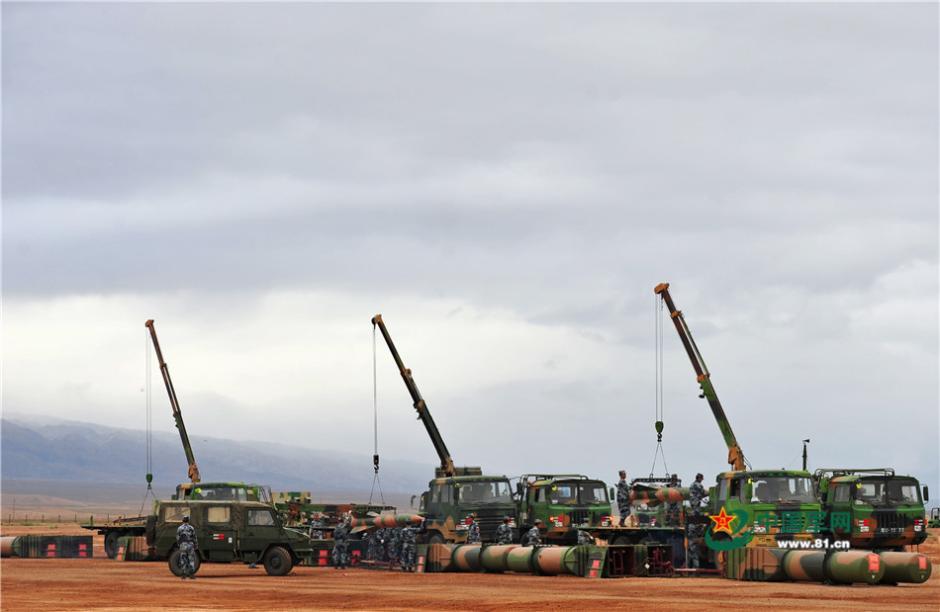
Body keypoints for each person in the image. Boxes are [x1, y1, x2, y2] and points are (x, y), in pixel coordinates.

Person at [686, 473, 707, 569]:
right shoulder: (698, 485)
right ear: (700, 478)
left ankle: (689, 569)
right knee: (694, 556)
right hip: (696, 502)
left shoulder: (691, 485)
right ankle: (696, 570)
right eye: (702, 478)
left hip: (692, 502)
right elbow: (703, 492)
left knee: (690, 555)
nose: (703, 479)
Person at [176, 515, 198, 579]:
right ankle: (191, 575)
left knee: (183, 559)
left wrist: (179, 544)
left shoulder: (180, 528)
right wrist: (196, 545)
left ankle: (183, 574)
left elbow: (178, 537)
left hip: (183, 544)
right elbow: (194, 537)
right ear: (188, 521)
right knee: (191, 559)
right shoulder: (191, 528)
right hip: (190, 545)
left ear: (183, 520)